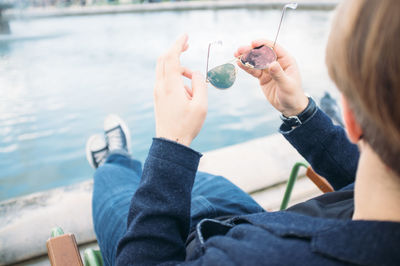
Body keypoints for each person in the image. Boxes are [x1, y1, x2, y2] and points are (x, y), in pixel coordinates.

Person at [85, 0, 400, 265]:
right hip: (247, 221)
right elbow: (365, 171)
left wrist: (171, 141)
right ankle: (131, 165)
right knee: (185, 179)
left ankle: (113, 158)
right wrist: (300, 110)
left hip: (188, 247)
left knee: (114, 182)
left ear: (352, 121)